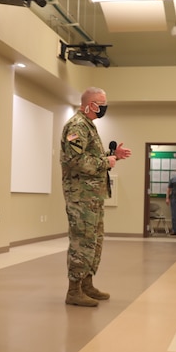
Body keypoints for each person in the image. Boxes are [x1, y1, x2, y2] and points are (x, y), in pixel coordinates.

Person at [60, 87, 132, 307]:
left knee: (93, 241)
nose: (103, 107)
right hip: (81, 197)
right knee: (82, 241)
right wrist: (104, 162)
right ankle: (74, 290)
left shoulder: (89, 126)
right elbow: (74, 160)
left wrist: (112, 157)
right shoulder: (77, 126)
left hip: (92, 196)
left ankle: (86, 285)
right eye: (101, 103)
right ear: (90, 104)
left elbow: (90, 157)